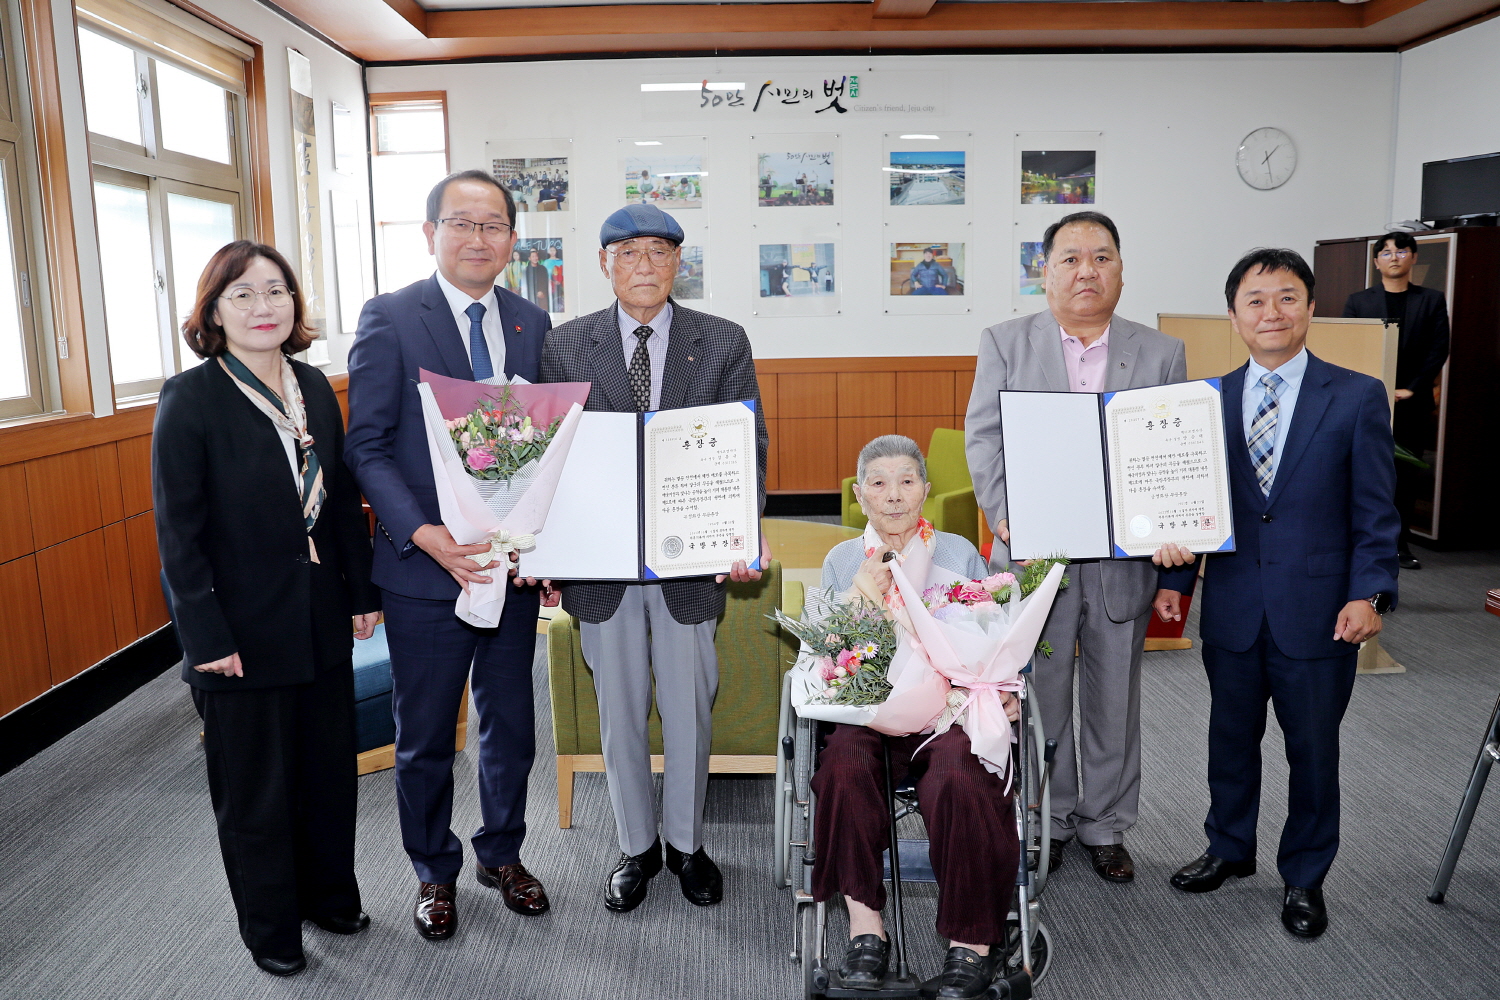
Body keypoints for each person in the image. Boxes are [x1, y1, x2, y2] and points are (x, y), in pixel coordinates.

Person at [1153, 247, 1398, 940]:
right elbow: (1188, 507)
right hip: (1231, 605)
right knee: (1229, 739)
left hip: (1320, 612)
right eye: (1256, 300)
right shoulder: (1206, 402)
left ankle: (1305, 876)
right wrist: (1174, 582)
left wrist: (1370, 595)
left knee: (1313, 751)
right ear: (1234, 316)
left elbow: (1376, 514)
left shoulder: (1354, 397)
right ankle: (1230, 848)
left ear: (1311, 308)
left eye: (1287, 297)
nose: (1272, 312)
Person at [153, 241, 381, 977]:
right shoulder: (191, 398)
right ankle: (271, 928)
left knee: (324, 770)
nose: (263, 307)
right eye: (243, 295)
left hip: (317, 611)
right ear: (214, 311)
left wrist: (361, 594)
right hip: (238, 626)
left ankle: (327, 896)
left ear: (295, 305)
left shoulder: (313, 384)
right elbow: (178, 535)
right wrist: (204, 635)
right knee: (256, 789)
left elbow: (342, 500)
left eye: (276, 292)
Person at [539, 203, 769, 913]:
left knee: (689, 706)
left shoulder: (722, 340)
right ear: (605, 263)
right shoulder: (567, 344)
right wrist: (547, 546)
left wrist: (741, 533)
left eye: (660, 253)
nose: (645, 265)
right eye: (629, 252)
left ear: (679, 264)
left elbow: (746, 446)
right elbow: (553, 457)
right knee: (619, 710)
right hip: (603, 566)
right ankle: (637, 847)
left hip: (689, 564)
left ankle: (687, 845)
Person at [345, 170, 553, 942]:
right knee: (427, 733)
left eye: (493, 225)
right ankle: (434, 871)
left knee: (512, 726)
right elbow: (364, 447)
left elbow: (544, 446)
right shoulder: (390, 317)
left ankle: (502, 853)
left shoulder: (533, 321)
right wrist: (426, 537)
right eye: (461, 223)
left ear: (511, 239)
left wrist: (547, 546)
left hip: (508, 567)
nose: (478, 238)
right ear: (430, 233)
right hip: (424, 569)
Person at [965, 210, 1186, 884]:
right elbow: (984, 438)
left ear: (1121, 269)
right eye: (1070, 258)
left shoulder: (1159, 351)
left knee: (1116, 696)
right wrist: (1006, 519)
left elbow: (1172, 450)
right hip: (1037, 557)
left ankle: (1106, 825)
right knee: (1039, 694)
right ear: (1045, 270)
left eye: (1102, 257)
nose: (1086, 270)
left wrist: (1173, 523)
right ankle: (1049, 820)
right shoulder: (1005, 342)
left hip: (1124, 559)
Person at [811, 435, 1020, 1000]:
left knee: (963, 769)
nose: (894, 495)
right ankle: (865, 930)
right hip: (871, 713)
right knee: (843, 763)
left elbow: (997, 639)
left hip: (946, 715)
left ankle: (972, 945)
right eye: (878, 483)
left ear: (926, 490)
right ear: (860, 496)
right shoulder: (841, 560)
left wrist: (1006, 692)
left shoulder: (957, 554)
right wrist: (863, 597)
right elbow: (827, 653)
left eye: (907, 481)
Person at [1342, 232, 1450, 570]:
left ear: (1413, 258)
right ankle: (1358, 541)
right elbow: (1351, 348)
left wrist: (1412, 388)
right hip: (1368, 401)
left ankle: (1399, 546)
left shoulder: (1431, 300)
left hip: (1411, 403)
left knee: (1404, 477)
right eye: (1386, 252)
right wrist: (1375, 387)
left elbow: (1438, 349)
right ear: (1376, 262)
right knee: (1363, 473)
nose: (1394, 257)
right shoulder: (1359, 301)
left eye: (1401, 250)